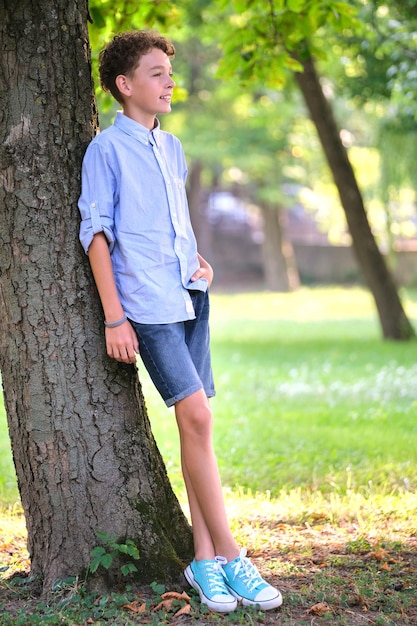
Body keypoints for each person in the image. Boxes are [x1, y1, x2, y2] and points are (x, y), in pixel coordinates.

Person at [78, 29, 282, 614]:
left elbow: (171, 218)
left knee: (198, 426)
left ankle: (203, 561)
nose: (171, 82)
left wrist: (193, 255)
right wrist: (115, 317)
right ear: (125, 85)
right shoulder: (105, 151)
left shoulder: (172, 148)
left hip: (189, 294)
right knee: (195, 416)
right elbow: (97, 234)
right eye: (157, 73)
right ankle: (233, 554)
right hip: (145, 306)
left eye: (170, 72)